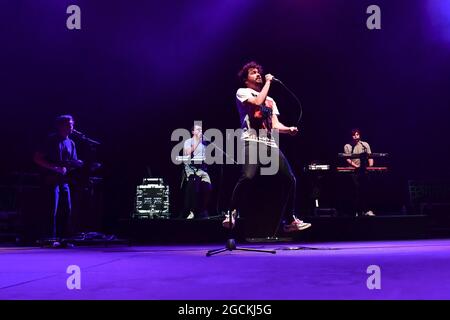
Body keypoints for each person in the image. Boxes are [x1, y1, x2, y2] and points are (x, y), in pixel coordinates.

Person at [223, 61, 311, 233]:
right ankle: (231, 213)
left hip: (269, 142)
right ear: (245, 79)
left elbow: (275, 124)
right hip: (252, 140)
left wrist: (288, 130)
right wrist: (269, 82)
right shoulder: (242, 92)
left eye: (259, 72)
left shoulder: (270, 100)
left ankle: (290, 219)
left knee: (289, 178)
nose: (258, 74)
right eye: (253, 72)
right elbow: (256, 102)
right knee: (248, 176)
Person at [33, 115, 83, 246]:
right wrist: (55, 168)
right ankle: (50, 239)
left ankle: (65, 239)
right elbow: (38, 158)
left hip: (64, 181)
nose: (71, 127)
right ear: (60, 126)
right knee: (51, 211)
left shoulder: (71, 143)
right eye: (69, 124)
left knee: (67, 209)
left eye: (72, 124)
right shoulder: (50, 140)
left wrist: (77, 164)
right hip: (50, 180)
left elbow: (70, 163)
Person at [181, 124, 212, 219]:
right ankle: (191, 210)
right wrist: (197, 141)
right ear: (193, 132)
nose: (201, 131)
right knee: (194, 187)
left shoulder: (204, 144)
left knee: (208, 187)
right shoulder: (188, 141)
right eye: (198, 130)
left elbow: (205, 157)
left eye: (201, 130)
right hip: (191, 169)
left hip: (202, 170)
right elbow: (187, 152)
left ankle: (202, 209)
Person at [343, 128, 375, 216]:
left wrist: (370, 166)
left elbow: (370, 156)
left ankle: (367, 210)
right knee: (356, 190)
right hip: (354, 172)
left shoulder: (365, 144)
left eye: (357, 134)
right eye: (354, 135)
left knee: (366, 190)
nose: (355, 136)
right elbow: (348, 159)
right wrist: (356, 166)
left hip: (365, 171)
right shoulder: (347, 146)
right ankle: (356, 211)